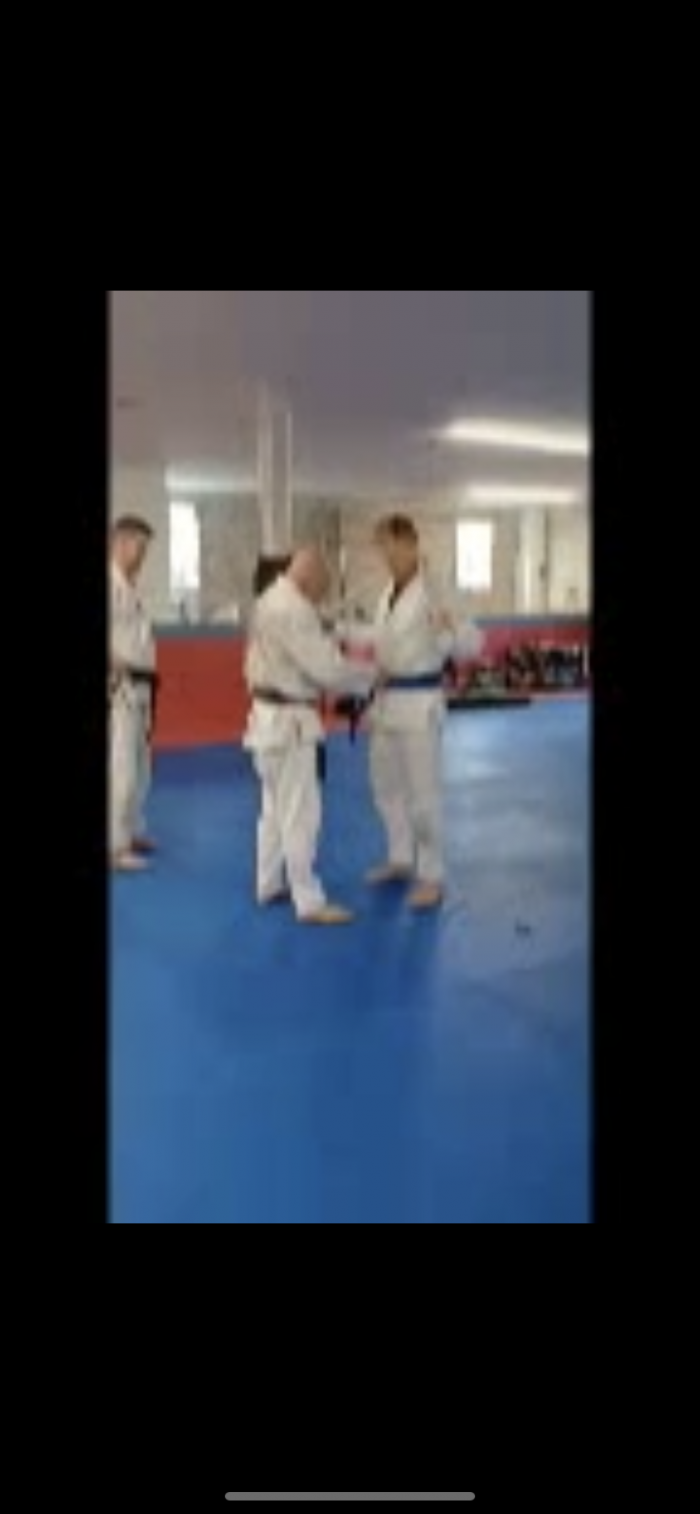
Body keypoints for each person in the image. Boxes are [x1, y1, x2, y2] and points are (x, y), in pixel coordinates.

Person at [244, 547, 375, 925]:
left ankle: (268, 883)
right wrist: (371, 676)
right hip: (289, 725)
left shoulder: (270, 600)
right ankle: (309, 901)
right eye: (322, 585)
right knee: (301, 813)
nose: (322, 593)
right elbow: (326, 670)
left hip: (267, 721)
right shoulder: (292, 609)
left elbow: (321, 630)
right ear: (307, 576)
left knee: (273, 811)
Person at [360, 514, 483, 910]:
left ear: (411, 544)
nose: (387, 556)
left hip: (419, 703)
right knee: (384, 786)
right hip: (385, 703)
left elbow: (473, 645)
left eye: (392, 547)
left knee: (422, 796)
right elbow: (381, 638)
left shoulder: (437, 589)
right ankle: (400, 857)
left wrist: (449, 630)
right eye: (382, 548)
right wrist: (340, 630)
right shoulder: (388, 593)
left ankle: (432, 875)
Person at [109, 515, 158, 872]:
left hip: (141, 684)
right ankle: (115, 845)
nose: (142, 554)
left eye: (145, 548)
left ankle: (132, 829)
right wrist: (116, 668)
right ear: (120, 542)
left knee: (141, 765)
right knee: (122, 767)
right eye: (138, 546)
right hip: (121, 686)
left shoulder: (132, 586)